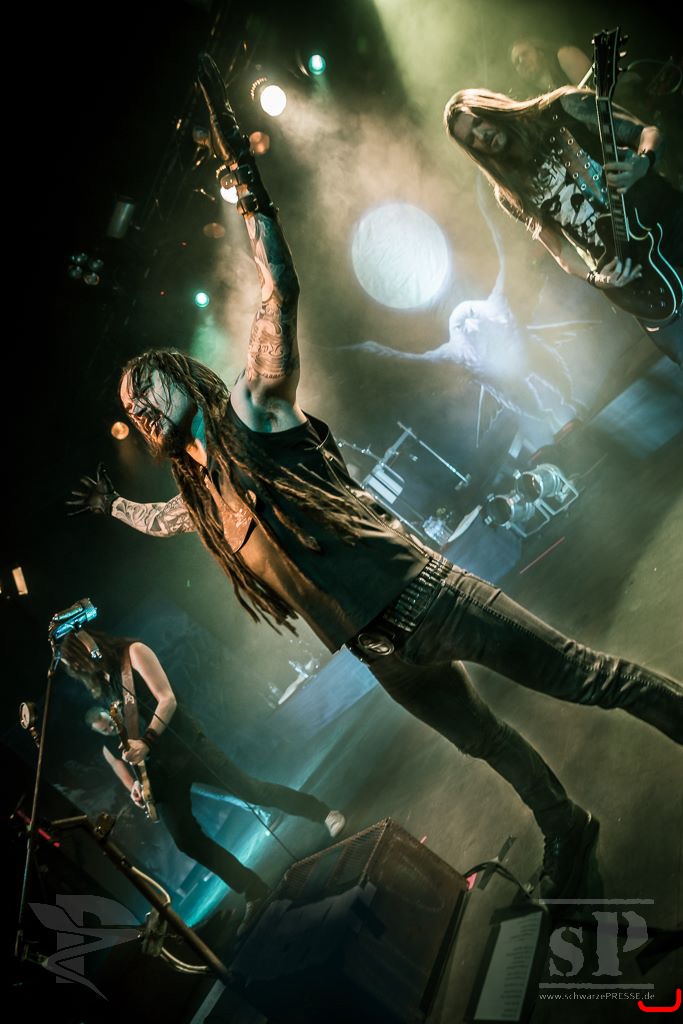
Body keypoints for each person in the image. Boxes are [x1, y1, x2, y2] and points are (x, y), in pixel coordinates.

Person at [68, 55, 682, 904]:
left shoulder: (251, 406)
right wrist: (114, 505)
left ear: (180, 375)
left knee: (585, 678)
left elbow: (278, 286)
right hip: (375, 645)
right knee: (484, 741)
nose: (138, 404)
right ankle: (564, 824)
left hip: (425, 595)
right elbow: (162, 520)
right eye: (129, 407)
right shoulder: (204, 499)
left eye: (145, 386)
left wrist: (245, 181)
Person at [61, 629, 346, 929]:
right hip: (159, 771)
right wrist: (137, 783)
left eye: (76, 661)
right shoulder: (106, 685)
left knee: (251, 791)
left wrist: (147, 740)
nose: (78, 669)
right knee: (186, 840)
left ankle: (324, 813)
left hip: (186, 748)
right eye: (72, 667)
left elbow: (167, 699)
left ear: (89, 648)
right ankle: (252, 888)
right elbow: (130, 734)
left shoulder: (134, 652)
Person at [443, 85, 683, 366]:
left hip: (668, 221)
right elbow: (559, 251)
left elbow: (648, 133)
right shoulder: (509, 191)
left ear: (490, 107)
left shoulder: (563, 106)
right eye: (471, 139)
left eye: (478, 122)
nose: (481, 136)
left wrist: (643, 163)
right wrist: (597, 279)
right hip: (634, 275)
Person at [509, 37, 592, 94]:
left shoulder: (564, 55)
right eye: (517, 62)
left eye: (525, 54)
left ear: (539, 52)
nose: (521, 61)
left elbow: (593, 91)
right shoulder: (529, 95)